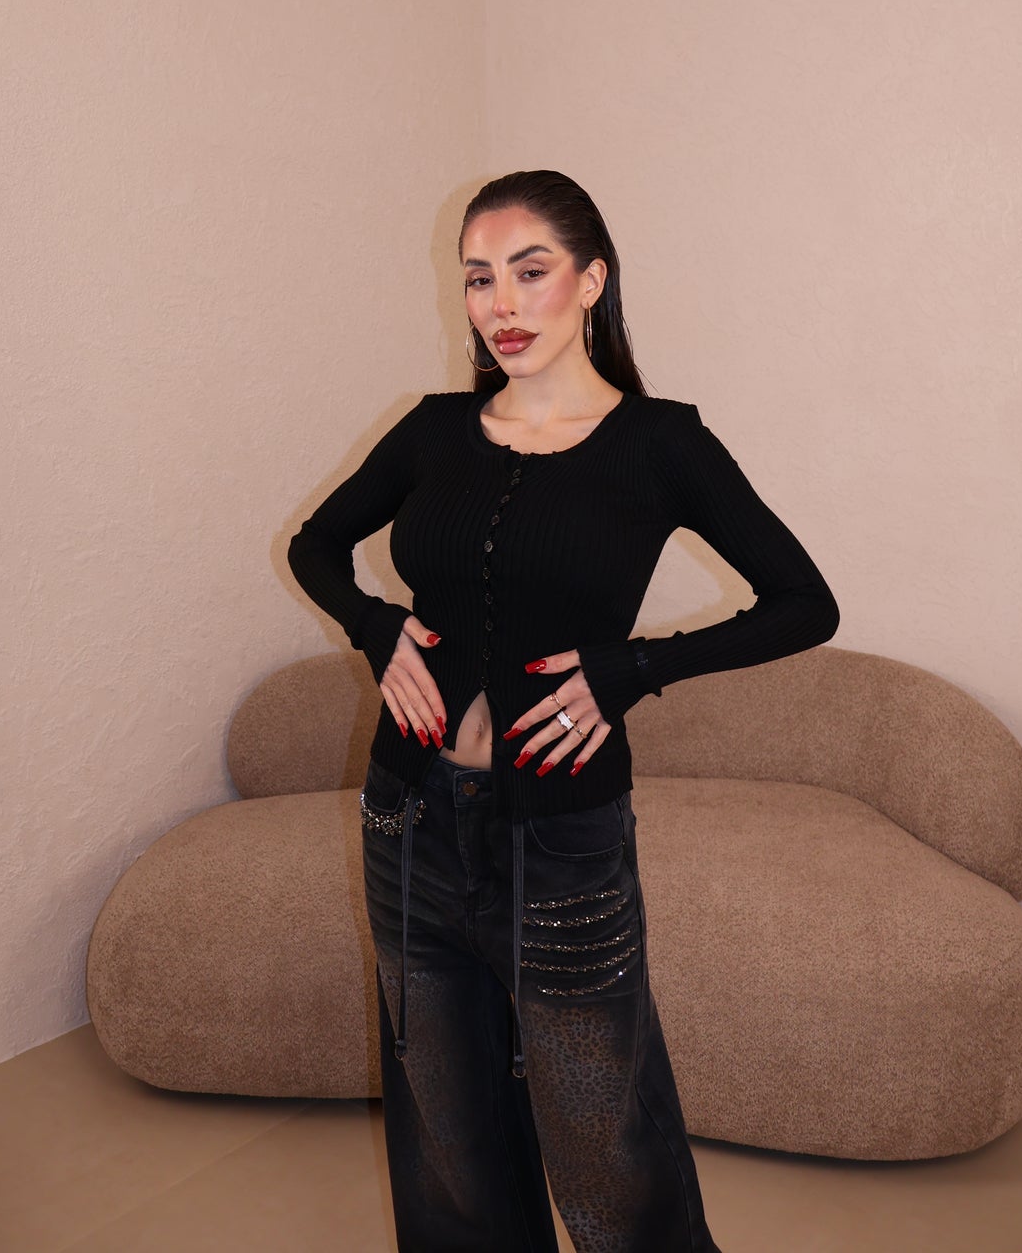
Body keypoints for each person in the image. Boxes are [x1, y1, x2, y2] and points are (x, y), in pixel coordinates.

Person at [287, 168, 839, 1253]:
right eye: (478, 278)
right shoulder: (433, 431)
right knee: (447, 1141)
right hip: (409, 818)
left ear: (590, 281)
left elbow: (804, 605)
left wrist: (635, 670)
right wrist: (375, 628)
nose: (500, 304)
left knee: (606, 1141)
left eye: (528, 272)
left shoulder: (660, 443)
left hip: (562, 836)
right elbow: (316, 546)